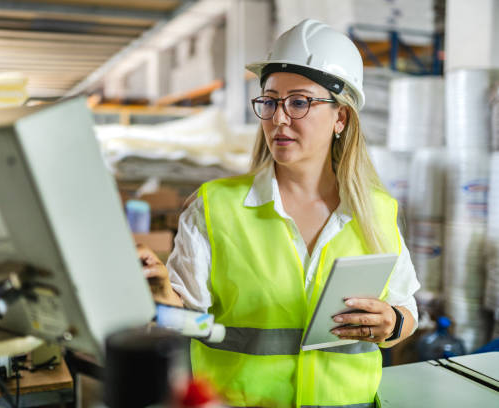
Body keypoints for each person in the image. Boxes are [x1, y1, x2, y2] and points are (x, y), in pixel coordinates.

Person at [138, 19, 420, 408]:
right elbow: (191, 324)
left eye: (300, 102)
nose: (279, 118)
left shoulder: (376, 211)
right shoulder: (215, 208)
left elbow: (407, 307)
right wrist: (163, 300)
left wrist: (393, 322)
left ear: (341, 118)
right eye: (270, 101)